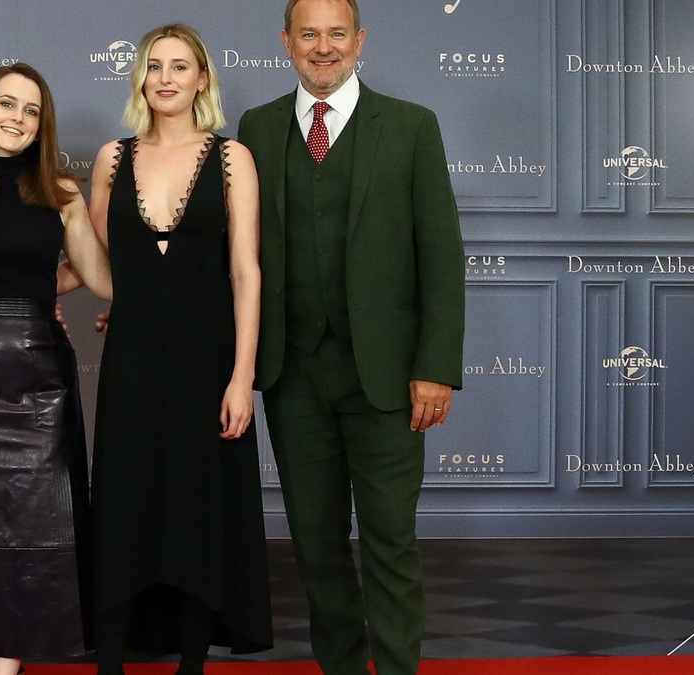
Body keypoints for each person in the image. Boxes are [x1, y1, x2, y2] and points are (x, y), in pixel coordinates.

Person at [237, 1, 466, 673]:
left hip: (391, 378)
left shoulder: (412, 127)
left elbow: (442, 257)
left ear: (359, 40)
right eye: (309, 33)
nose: (323, 46)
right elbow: (235, 251)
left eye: (337, 33)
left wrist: (436, 367)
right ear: (286, 42)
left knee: (391, 541)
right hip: (292, 374)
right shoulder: (255, 127)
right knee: (317, 544)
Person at [87, 23, 273, 675]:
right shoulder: (111, 159)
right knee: (125, 499)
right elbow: (100, 262)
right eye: (154, 65)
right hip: (132, 363)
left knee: (199, 504)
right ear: (140, 78)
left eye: (181, 66)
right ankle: (109, 660)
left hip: (208, 362)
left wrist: (241, 375)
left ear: (203, 79)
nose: (166, 77)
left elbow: (246, 272)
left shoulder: (232, 159)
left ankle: (192, 663)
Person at [0, 64, 113, 675]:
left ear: (43, 123)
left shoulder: (62, 193)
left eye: (31, 109)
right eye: (6, 104)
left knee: (36, 520)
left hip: (41, 376)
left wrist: (41, 290)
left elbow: (100, 279)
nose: (17, 117)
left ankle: (4, 668)